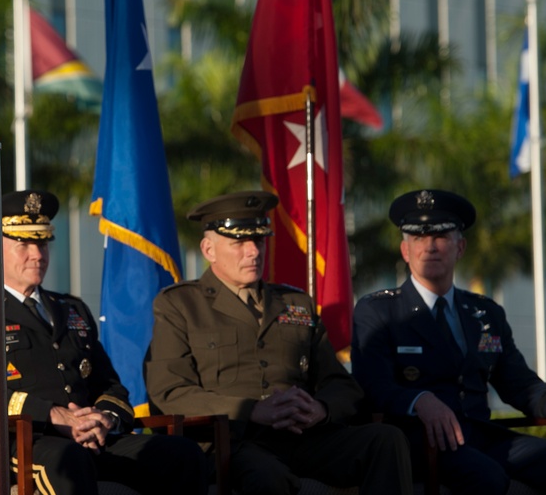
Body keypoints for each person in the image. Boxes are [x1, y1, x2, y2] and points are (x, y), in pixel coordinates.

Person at [145, 190, 413, 495]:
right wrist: (251, 410)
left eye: (258, 240)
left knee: (385, 440)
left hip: (302, 436)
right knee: (267, 477)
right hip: (233, 442)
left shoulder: (295, 302)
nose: (253, 252)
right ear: (209, 249)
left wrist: (320, 409)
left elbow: (341, 383)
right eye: (239, 243)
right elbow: (169, 391)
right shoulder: (180, 305)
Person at [352, 188, 546, 494]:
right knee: (485, 476)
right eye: (418, 238)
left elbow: (519, 384)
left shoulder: (484, 313)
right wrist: (419, 400)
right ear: (405, 251)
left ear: (460, 247)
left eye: (442, 237)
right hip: (421, 441)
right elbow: (372, 385)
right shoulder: (379, 310)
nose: (429, 247)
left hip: (481, 436)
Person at [1, 189, 207, 495]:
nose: (38, 254)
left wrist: (104, 419)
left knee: (182, 455)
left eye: (42, 242)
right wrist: (53, 416)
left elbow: (110, 386)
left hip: (92, 440)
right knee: (68, 461)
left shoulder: (71, 309)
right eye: (24, 244)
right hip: (28, 441)